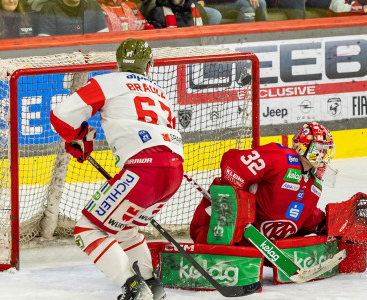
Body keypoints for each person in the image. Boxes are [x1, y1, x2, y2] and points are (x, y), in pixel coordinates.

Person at [50, 39, 184, 300]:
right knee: (124, 227)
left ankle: (134, 289)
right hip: (173, 172)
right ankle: (152, 285)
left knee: (88, 230)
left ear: (119, 62)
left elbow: (61, 116)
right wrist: (84, 139)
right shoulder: (159, 91)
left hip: (143, 172)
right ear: (149, 65)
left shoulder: (108, 82)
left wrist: (80, 136)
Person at [190, 122, 337, 245]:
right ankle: (211, 251)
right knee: (227, 204)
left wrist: (322, 225)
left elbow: (298, 214)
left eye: (326, 150)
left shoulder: (314, 182)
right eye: (320, 149)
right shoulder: (280, 158)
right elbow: (232, 164)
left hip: (261, 246)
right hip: (222, 233)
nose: (323, 155)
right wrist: (237, 204)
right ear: (304, 146)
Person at [37, 0, 108, 36]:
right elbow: (46, 47)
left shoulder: (93, 5)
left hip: (92, 58)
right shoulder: (50, 9)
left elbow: (104, 38)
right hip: (63, 60)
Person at [143, 0, 219, 27]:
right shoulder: (158, 13)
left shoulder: (197, 9)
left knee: (215, 15)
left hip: (197, 53)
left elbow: (206, 39)